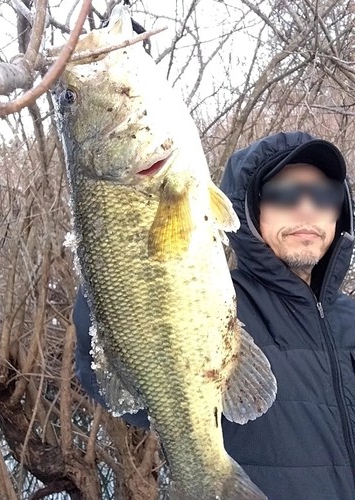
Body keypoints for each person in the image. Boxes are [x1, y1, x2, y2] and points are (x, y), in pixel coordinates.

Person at [73, 131, 355, 499]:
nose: (307, 208)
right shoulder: (211, 301)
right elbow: (132, 395)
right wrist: (115, 246)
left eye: (323, 194)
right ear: (249, 209)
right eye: (284, 194)